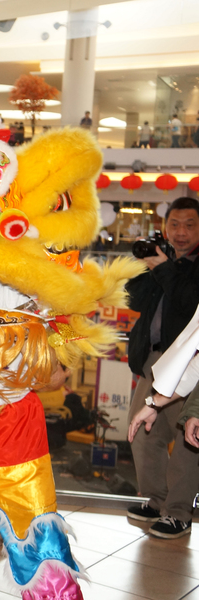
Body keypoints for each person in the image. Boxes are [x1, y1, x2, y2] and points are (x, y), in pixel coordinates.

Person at [125, 196, 199, 538]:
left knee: (188, 438)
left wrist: (166, 269)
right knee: (142, 432)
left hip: (190, 365)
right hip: (155, 361)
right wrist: (152, 264)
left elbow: (188, 302)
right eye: (174, 225)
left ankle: (179, 512)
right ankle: (157, 500)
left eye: (190, 225)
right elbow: (133, 297)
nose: (180, 232)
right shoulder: (164, 260)